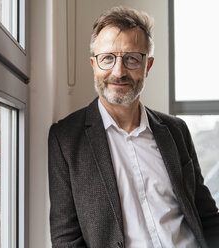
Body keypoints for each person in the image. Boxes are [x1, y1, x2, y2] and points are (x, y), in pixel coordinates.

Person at [48, 6, 219, 248]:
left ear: (147, 66)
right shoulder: (65, 139)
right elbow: (66, 239)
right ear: (93, 64)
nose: (119, 72)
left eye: (131, 59)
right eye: (107, 58)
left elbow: (208, 217)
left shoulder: (176, 131)